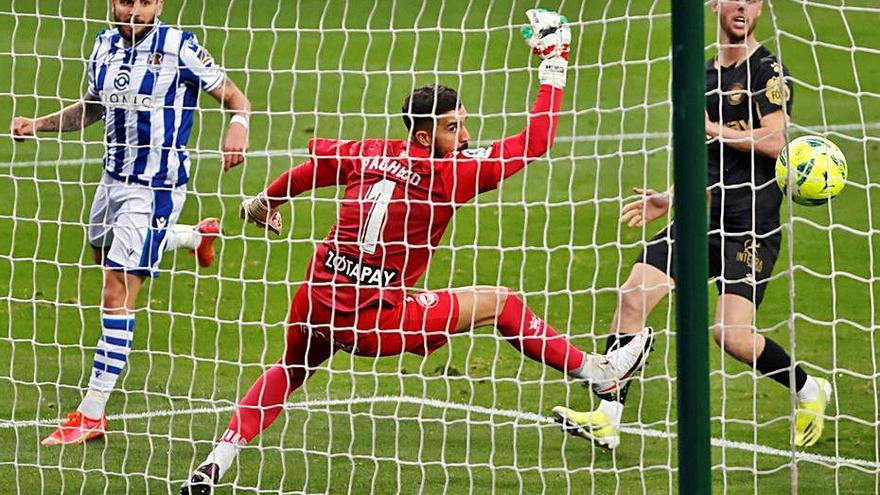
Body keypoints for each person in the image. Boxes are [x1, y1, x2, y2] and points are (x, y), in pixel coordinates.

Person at [180, 10, 652, 494]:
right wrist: (555, 61)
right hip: (377, 321)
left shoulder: (367, 151)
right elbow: (537, 140)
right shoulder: (450, 177)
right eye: (454, 129)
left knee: (289, 369)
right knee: (501, 303)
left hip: (319, 297)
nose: (465, 137)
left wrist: (264, 203)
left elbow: (310, 170)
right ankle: (600, 374)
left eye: (464, 125)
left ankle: (216, 461)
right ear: (425, 136)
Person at [552, 0, 831, 450]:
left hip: (750, 225)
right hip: (703, 217)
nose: (744, 7)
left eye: (754, 0)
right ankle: (608, 417)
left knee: (731, 335)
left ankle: (810, 390)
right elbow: (705, 155)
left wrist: (715, 128)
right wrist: (672, 197)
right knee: (632, 295)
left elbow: (777, 140)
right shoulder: (702, 75)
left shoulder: (767, 70)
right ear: (714, 4)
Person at [10, 0, 252, 445]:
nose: (133, 10)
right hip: (111, 181)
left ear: (158, 4)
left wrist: (238, 123)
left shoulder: (180, 47)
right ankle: (195, 236)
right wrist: (37, 125)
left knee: (116, 288)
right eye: (125, 1)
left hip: (154, 187)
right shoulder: (103, 45)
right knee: (102, 256)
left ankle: (91, 412)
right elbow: (91, 108)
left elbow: (236, 96)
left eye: (143, 2)